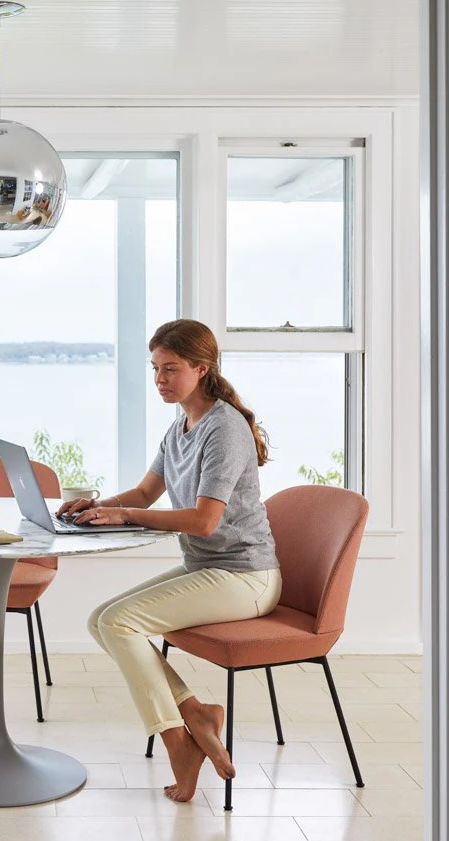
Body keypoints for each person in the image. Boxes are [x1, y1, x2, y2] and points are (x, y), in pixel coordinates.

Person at [59, 318, 282, 803]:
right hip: (211, 571)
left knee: (119, 623)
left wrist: (126, 516)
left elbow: (204, 521)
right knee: (102, 620)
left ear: (202, 369)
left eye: (171, 369)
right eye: (155, 368)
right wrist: (98, 507)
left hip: (247, 577)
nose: (160, 379)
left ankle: (179, 743)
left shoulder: (225, 429)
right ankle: (197, 713)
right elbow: (144, 492)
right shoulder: (181, 425)